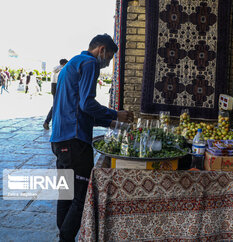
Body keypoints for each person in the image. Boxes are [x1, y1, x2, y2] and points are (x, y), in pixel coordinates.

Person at [50, 34, 133, 242]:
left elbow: (78, 110)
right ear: (102, 50)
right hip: (74, 141)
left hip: (59, 139)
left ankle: (63, 235)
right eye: (109, 57)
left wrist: (110, 123)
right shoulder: (89, 63)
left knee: (66, 195)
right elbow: (87, 104)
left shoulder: (72, 64)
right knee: (80, 197)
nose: (107, 63)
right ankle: (65, 238)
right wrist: (115, 114)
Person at [43, 58, 68, 130]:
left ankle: (51, 122)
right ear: (64, 63)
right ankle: (48, 122)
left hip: (54, 87)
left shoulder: (55, 69)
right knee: (57, 106)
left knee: (57, 105)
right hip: (59, 87)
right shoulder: (63, 69)